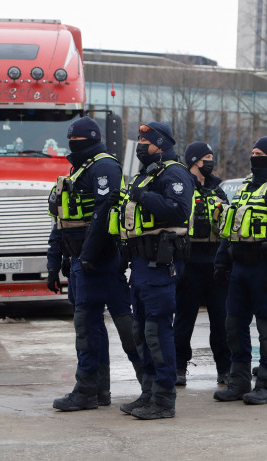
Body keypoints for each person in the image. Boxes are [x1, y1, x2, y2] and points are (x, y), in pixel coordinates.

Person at [47, 116, 140, 412]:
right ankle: (97, 390)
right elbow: (62, 221)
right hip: (80, 261)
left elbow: (102, 215)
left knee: (114, 324)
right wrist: (55, 261)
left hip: (102, 259)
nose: (73, 144)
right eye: (71, 140)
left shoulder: (104, 166)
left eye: (78, 140)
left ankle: (150, 387)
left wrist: (88, 254)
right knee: (89, 326)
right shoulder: (79, 169)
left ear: (92, 140)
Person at [213, 136, 267, 405]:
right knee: (233, 326)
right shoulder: (245, 188)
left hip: (266, 269)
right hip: (240, 268)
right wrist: (221, 261)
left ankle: (266, 385)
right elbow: (230, 228)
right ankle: (238, 381)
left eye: (259, 153)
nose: (254, 157)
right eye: (252, 153)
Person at [117, 121, 194, 420]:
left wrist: (143, 197)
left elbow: (179, 210)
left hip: (161, 265)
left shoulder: (174, 173)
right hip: (141, 265)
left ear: (159, 145)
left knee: (157, 332)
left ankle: (163, 400)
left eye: (145, 142)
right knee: (141, 331)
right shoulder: (147, 174)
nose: (140, 146)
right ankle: (148, 392)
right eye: (138, 141)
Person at [174, 141, 231, 386]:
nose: (210, 161)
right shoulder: (182, 187)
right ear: (194, 160)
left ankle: (225, 368)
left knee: (221, 320)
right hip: (189, 262)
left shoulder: (218, 190)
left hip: (215, 263)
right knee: (184, 320)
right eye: (206, 157)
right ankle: (178, 367)